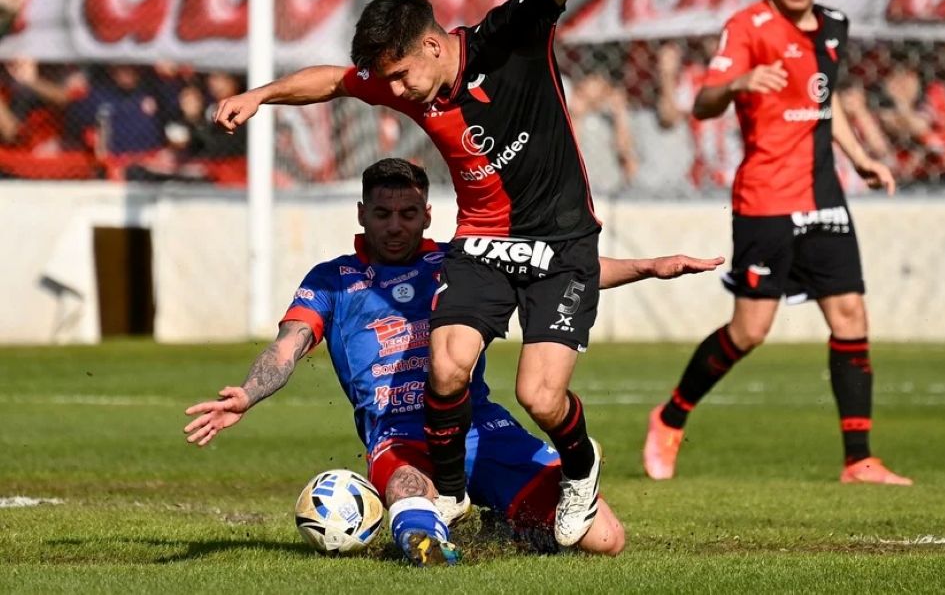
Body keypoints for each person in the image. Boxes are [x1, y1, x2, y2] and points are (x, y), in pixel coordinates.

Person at [215, 0, 611, 545]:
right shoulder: (410, 85)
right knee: (447, 367)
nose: (396, 93)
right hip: (482, 241)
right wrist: (261, 95)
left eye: (400, 76)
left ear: (432, 45)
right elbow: (333, 81)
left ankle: (581, 468)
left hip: (560, 241)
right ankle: (451, 494)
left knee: (540, 397)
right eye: (389, 81)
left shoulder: (510, 35)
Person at [183, 158, 722, 565]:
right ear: (362, 214)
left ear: (427, 215)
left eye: (407, 214)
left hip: (482, 428)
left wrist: (650, 266)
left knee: (606, 540)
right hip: (400, 437)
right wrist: (248, 393)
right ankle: (428, 538)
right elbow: (289, 344)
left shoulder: (461, 263)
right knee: (409, 496)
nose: (395, 226)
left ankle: (502, 518)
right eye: (383, 214)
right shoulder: (333, 279)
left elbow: (557, 271)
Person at [642, 0, 912, 486]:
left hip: (824, 196)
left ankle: (859, 459)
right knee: (749, 331)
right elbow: (704, 103)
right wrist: (738, 84)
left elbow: (825, 103)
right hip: (765, 198)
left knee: (850, 315)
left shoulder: (834, 25)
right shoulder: (747, 27)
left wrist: (861, 157)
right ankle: (670, 417)